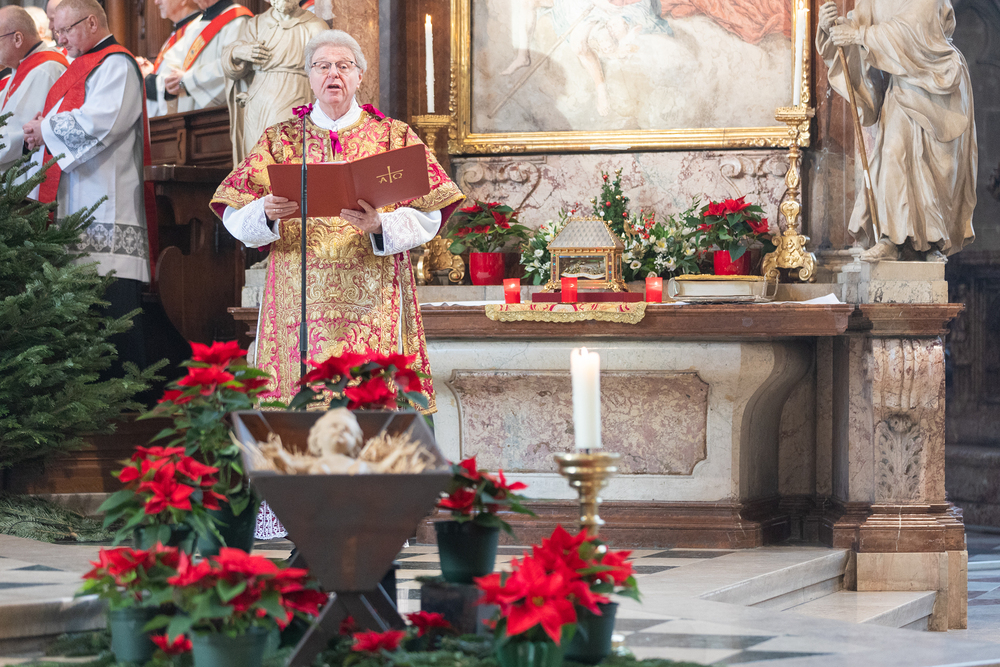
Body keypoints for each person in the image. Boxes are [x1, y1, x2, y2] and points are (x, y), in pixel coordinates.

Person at [211, 30, 464, 540]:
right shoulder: (281, 140)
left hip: (372, 299)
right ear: (308, 76)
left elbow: (432, 212)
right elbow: (233, 214)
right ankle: (298, 513)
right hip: (297, 300)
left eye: (344, 65)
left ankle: (376, 513)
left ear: (360, 76)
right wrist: (267, 211)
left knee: (369, 392)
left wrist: (381, 225)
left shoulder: (393, 137)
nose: (333, 74)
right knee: (300, 395)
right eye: (323, 65)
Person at [23, 0, 150, 374]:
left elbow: (102, 120)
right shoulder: (81, 66)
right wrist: (42, 127)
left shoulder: (116, 64)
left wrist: (45, 128)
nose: (60, 40)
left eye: (65, 30)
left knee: (115, 322)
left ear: (92, 22)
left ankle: (130, 402)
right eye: (56, 31)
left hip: (108, 206)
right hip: (75, 203)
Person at [816, 0, 977, 261]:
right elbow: (856, 28)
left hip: (938, 84)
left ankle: (933, 243)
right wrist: (830, 29)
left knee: (938, 167)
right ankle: (890, 239)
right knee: (892, 153)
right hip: (902, 88)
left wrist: (859, 35)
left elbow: (917, 29)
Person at [221, 0, 327, 164]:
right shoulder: (257, 24)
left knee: (282, 160)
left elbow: (327, 71)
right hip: (256, 104)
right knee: (256, 163)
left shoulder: (315, 26)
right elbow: (234, 70)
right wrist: (238, 52)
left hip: (294, 94)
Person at [0, 5, 68, 196]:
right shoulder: (21, 67)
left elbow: (19, 135)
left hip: (25, 180)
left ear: (17, 39)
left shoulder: (45, 69)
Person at [169, 0, 251, 112]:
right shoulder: (194, 26)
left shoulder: (238, 21)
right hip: (188, 114)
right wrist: (171, 81)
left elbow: (232, 67)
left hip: (219, 115)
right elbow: (176, 64)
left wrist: (187, 80)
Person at [137, 0, 202, 117]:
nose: (156, 2)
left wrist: (147, 79)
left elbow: (182, 82)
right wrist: (152, 70)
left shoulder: (199, 31)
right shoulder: (178, 33)